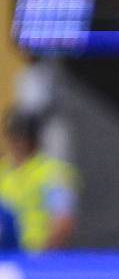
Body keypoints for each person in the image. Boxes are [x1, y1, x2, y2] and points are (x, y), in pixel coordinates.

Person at [0, 108, 79, 252]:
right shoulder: (2, 171)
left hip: (38, 255)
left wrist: (42, 257)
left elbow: (63, 221)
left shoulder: (53, 173)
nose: (17, 143)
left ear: (33, 138)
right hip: (5, 255)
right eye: (13, 136)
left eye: (22, 137)